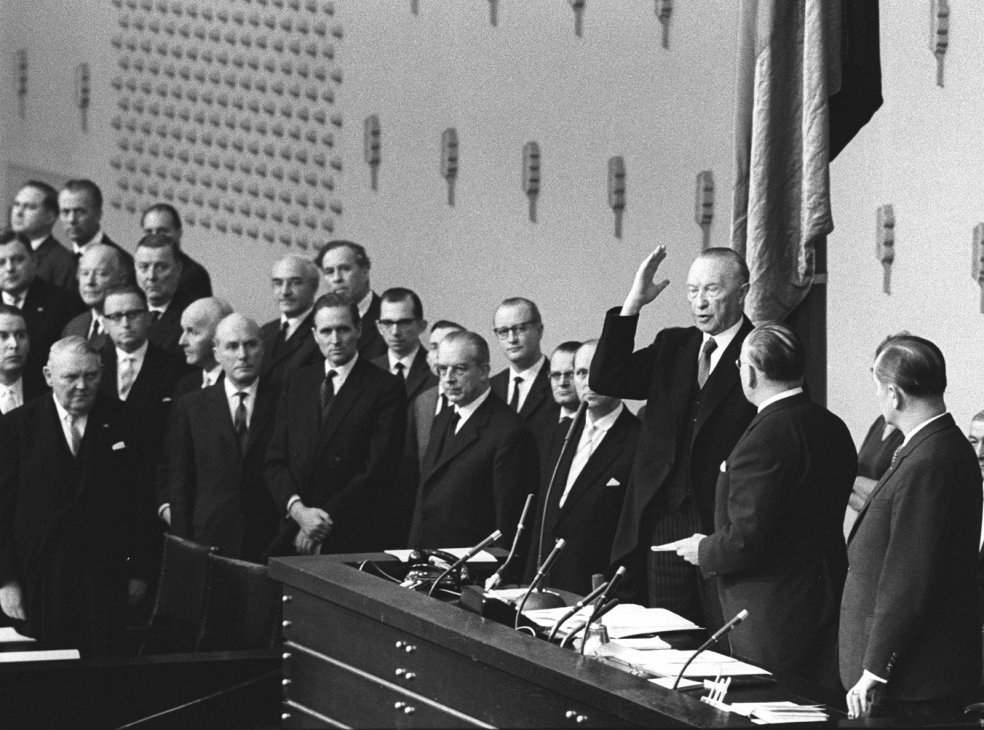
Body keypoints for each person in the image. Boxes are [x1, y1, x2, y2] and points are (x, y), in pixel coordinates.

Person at [672, 323, 857, 690]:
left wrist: (703, 548)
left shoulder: (765, 437)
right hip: (827, 595)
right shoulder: (832, 425)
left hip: (772, 613)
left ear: (752, 372)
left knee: (772, 706)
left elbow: (748, 539)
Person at [590, 246, 756, 626]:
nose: (699, 302)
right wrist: (634, 303)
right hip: (661, 518)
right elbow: (606, 377)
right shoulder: (674, 345)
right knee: (667, 635)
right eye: (692, 290)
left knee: (718, 637)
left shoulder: (761, 349)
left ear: (743, 292)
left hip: (720, 523)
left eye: (712, 290)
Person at [841, 335, 982, 719]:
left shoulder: (930, 460)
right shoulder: (935, 446)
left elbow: (909, 576)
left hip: (911, 678)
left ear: (894, 394)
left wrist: (875, 669)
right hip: (912, 672)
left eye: (877, 389)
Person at [0, 337, 155, 655]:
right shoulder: (16, 428)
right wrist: (6, 581)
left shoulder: (126, 421)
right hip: (40, 579)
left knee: (102, 672)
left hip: (103, 578)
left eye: (91, 375)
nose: (82, 385)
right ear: (48, 376)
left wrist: (138, 572)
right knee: (44, 673)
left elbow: (140, 503)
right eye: (70, 377)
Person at [265, 294, 406, 555]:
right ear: (314, 334)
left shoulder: (385, 387)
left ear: (359, 330)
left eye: (343, 329)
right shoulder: (298, 382)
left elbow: (376, 469)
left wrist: (320, 523)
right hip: (293, 526)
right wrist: (300, 514)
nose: (335, 340)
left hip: (349, 532)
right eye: (326, 331)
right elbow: (275, 460)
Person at [526, 340, 639, 594]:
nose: (590, 380)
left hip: (596, 588)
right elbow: (542, 517)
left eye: (600, 369)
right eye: (581, 372)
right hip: (544, 583)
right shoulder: (560, 432)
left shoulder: (638, 440)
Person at [164, 314, 280, 561]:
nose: (242, 355)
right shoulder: (191, 406)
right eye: (232, 346)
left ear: (263, 348)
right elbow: (180, 481)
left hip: (271, 538)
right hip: (209, 538)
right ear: (216, 353)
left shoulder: (285, 400)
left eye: (250, 344)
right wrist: (184, 545)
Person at [409, 330, 537, 549]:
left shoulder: (509, 431)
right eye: (442, 369)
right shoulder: (443, 418)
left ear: (483, 372)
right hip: (427, 557)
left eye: (459, 369)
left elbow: (508, 523)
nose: (448, 378)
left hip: (472, 567)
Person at [370, 287, 438, 545]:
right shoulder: (367, 372)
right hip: (373, 502)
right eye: (387, 323)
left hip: (416, 500)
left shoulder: (437, 373)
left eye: (404, 322)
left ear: (421, 325)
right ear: (378, 326)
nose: (395, 332)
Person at [0, 230, 84, 381]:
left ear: (33, 261)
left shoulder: (66, 303)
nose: (9, 268)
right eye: (1, 262)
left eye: (17, 260)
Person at [490, 298, 558, 429]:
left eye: (520, 329)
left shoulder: (560, 383)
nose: (512, 339)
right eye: (503, 331)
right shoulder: (490, 387)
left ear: (539, 330)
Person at [259, 255, 322, 388]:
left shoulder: (324, 331)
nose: (285, 291)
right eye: (278, 283)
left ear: (314, 287)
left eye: (295, 282)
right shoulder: (265, 331)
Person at [317, 240, 386, 359]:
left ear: (365, 271)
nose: (337, 278)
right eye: (329, 272)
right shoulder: (318, 321)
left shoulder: (388, 317)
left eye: (344, 269)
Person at [412, 320, 465, 465]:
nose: (437, 355)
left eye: (447, 347)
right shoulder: (423, 400)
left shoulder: (478, 397)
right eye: (434, 347)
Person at [61, 243, 131, 351]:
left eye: (101, 274)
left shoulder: (129, 326)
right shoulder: (73, 326)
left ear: (122, 278)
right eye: (84, 273)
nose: (90, 281)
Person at [58, 180, 134, 274]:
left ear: (98, 215)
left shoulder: (122, 263)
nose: (71, 219)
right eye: (65, 212)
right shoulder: (59, 262)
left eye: (79, 212)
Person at [140, 203, 213, 301]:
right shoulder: (135, 270)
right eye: (149, 232)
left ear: (178, 233)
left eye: (162, 231)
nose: (155, 237)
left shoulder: (195, 275)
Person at [10, 181, 75, 290]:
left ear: (50, 217)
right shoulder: (3, 252)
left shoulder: (64, 262)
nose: (18, 212)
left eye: (29, 207)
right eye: (16, 204)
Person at [134, 234, 189, 355]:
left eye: (161, 267)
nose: (151, 276)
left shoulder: (191, 315)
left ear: (178, 269)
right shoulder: (124, 309)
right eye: (143, 267)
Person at [171, 297, 234, 398]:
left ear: (220, 333)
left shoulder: (238, 382)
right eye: (183, 331)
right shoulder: (185, 386)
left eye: (192, 332)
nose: (181, 342)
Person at [0, 304, 45, 413]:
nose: (14, 344)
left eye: (20, 335)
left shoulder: (45, 391)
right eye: (3, 336)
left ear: (29, 342)